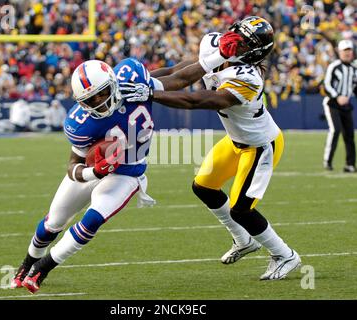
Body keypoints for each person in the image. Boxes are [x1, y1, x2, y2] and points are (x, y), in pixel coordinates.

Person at [11, 51, 224, 293]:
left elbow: (177, 77)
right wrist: (94, 172)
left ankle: (43, 268)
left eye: (101, 94)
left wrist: (217, 57)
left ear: (112, 84)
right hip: (97, 169)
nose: (98, 102)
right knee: (53, 222)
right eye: (90, 100)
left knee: (91, 220)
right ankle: (27, 262)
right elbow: (72, 167)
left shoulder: (133, 83)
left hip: (128, 173)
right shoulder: (80, 123)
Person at [121, 16, 301, 281]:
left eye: (243, 41)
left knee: (242, 209)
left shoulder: (249, 78)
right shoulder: (214, 44)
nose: (233, 40)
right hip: (234, 140)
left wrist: (151, 94)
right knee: (203, 186)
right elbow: (180, 72)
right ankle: (244, 241)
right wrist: (144, 80)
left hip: (260, 146)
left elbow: (198, 101)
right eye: (236, 32)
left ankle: (285, 255)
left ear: (254, 52)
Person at [323, 39, 357, 173]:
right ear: (340, 52)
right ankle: (328, 161)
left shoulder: (354, 69)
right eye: (345, 51)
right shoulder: (334, 66)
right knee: (335, 130)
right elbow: (326, 85)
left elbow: (355, 87)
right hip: (332, 103)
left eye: (349, 50)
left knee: (349, 134)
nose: (347, 53)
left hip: (346, 105)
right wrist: (337, 96)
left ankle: (350, 164)